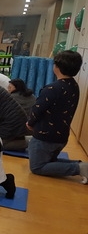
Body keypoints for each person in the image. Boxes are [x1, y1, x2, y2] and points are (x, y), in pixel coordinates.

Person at [26, 50, 88, 182]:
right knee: (50, 161)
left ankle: (78, 168)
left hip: (45, 136)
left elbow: (37, 110)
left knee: (37, 167)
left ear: (56, 67)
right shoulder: (74, 86)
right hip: (61, 136)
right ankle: (83, 166)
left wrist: (30, 123)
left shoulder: (52, 88)